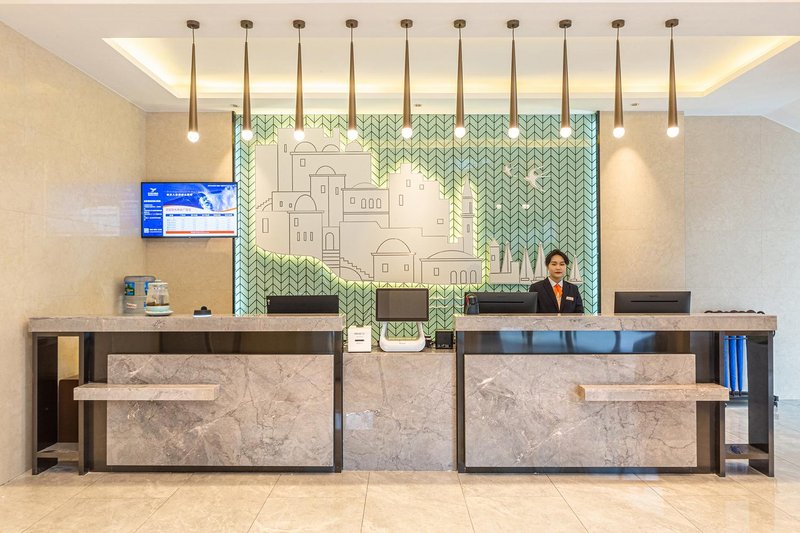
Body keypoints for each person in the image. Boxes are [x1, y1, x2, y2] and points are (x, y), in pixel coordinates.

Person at [529, 249, 584, 314]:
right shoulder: (536, 288)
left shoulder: (573, 289)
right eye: (554, 264)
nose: (558, 268)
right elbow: (532, 314)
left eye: (562, 264)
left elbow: (580, 313)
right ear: (547, 266)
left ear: (566, 266)